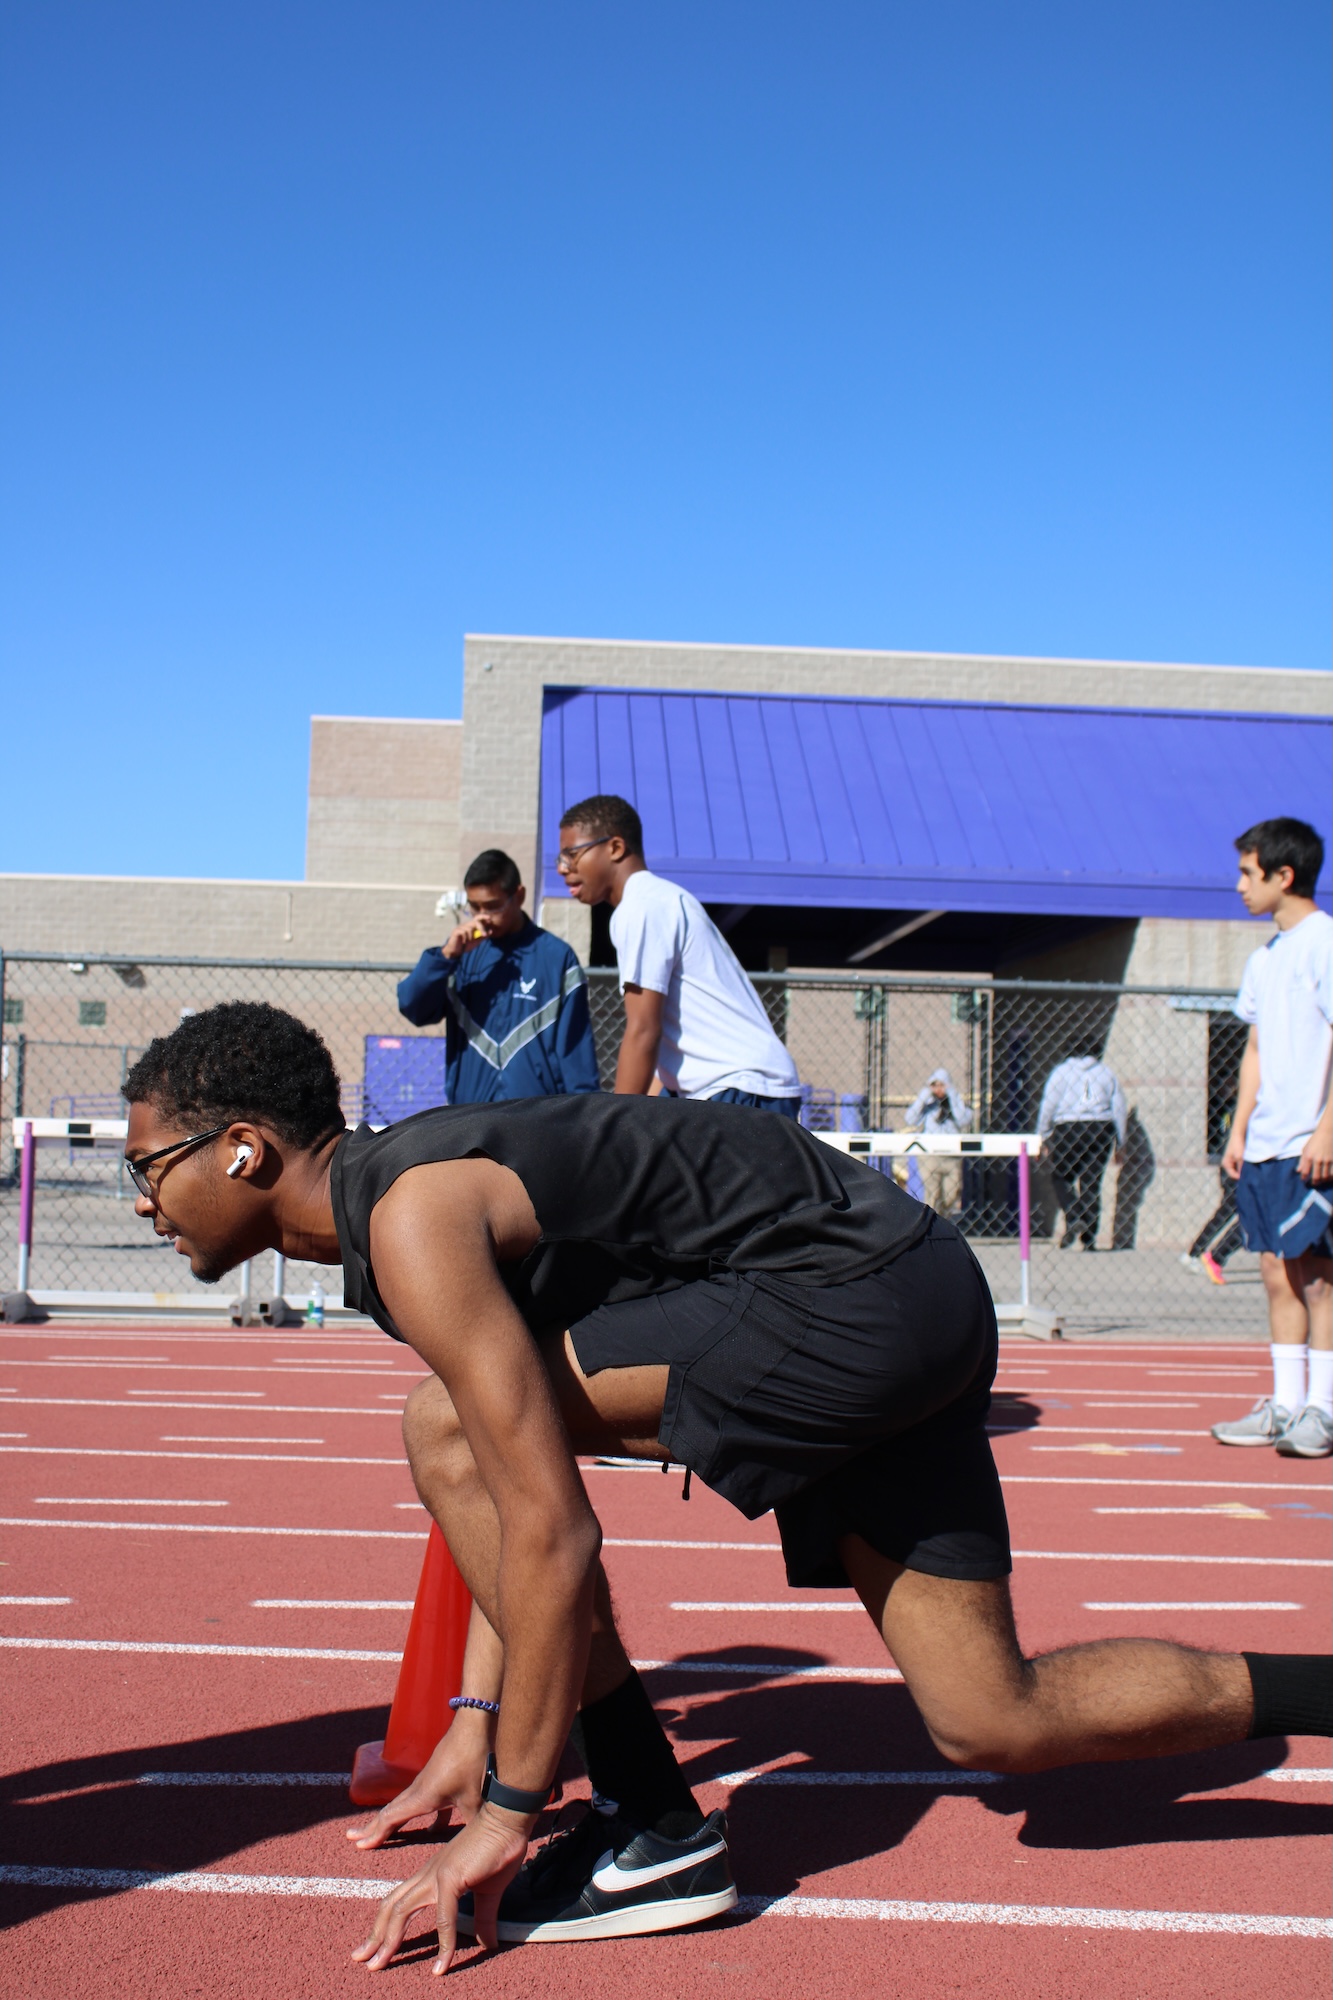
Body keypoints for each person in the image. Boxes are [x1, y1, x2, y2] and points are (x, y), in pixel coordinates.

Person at [121, 1002, 1331, 1972]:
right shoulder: (401, 1204)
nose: (140, 1198)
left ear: (244, 1149)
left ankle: (651, 1822)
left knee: (441, 1426)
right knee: (993, 1717)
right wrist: (474, 1721)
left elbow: (544, 1528)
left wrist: (506, 1810)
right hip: (912, 1285)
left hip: (845, 1299)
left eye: (148, 1165)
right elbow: (504, 1489)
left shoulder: (410, 1215)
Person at [555, 793, 801, 1114]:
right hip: (736, 1087)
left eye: (572, 854)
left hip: (740, 1087)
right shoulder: (656, 900)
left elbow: (643, 1030)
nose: (562, 868)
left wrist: (613, 1122)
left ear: (615, 847)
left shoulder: (643, 906)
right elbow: (662, 1054)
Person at [1211, 818, 1333, 1458]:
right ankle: (1286, 1405)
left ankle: (1324, 1409)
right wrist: (1238, 1130)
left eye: (1247, 872)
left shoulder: (1325, 943)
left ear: (1284, 875)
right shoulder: (1265, 957)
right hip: (1265, 1146)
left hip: (1311, 1144)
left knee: (1319, 1278)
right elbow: (1255, 1047)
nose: (1239, 886)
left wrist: (1327, 1129)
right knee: (1275, 1274)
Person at [396, 849, 599, 1102]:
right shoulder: (460, 955)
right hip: (471, 1116)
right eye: (474, 907)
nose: (482, 917)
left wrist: (586, 1115)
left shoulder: (557, 958)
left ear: (519, 896)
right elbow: (413, 1007)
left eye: (493, 906)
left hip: (536, 1117)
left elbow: (576, 1053)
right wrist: (445, 956)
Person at [1036, 1050, 1127, 1249]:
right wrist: (1121, 1141)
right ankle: (1089, 1238)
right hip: (1100, 1127)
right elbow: (1119, 1107)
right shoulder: (1105, 1072)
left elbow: (1048, 1104)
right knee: (1091, 1182)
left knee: (1061, 1176)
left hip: (1068, 1126)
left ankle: (1074, 1213)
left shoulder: (1061, 1072)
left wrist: (1042, 1134)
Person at [903, 1067, 972, 1215]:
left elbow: (963, 1120)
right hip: (930, 1156)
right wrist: (924, 1096)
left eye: (942, 1085)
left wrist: (952, 1095)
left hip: (951, 1156)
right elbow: (910, 1119)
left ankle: (944, 1218)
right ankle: (932, 1221)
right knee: (932, 1194)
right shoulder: (928, 1106)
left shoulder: (956, 1104)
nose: (939, 1089)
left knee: (951, 1193)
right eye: (935, 1085)